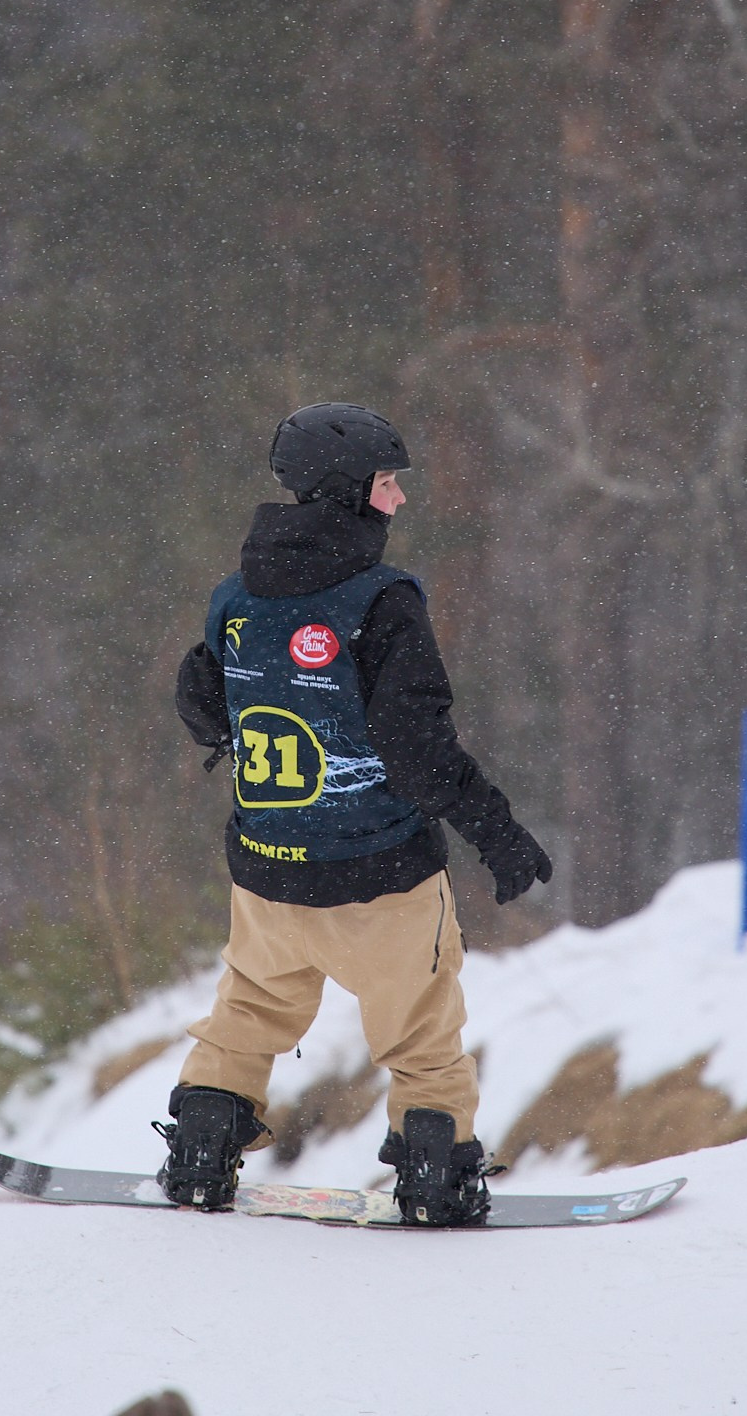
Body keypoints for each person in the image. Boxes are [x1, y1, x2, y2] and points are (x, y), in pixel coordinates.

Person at [157, 402, 554, 1226]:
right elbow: (416, 748)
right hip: (383, 880)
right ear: (347, 494)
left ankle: (201, 1150)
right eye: (387, 483)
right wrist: (498, 834)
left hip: (269, 876)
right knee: (421, 1037)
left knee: (249, 1013)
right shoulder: (382, 601)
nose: (399, 499)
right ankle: (436, 1177)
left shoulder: (235, 597)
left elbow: (201, 704)